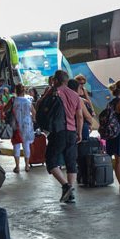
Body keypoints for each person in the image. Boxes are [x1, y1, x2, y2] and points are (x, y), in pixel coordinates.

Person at [42, 70, 83, 203]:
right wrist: (79, 132)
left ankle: (66, 186)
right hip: (72, 132)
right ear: (67, 80)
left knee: (51, 160)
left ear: (55, 80)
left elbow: (40, 106)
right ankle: (70, 195)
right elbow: (80, 116)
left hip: (58, 131)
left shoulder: (53, 92)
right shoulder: (75, 95)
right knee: (71, 162)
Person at [10, 84, 36, 173]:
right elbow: (34, 112)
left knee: (16, 145)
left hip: (16, 125)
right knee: (26, 145)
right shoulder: (28, 101)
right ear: (24, 91)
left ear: (16, 91)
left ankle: (17, 166)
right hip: (27, 125)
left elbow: (5, 110)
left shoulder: (13, 100)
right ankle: (27, 166)